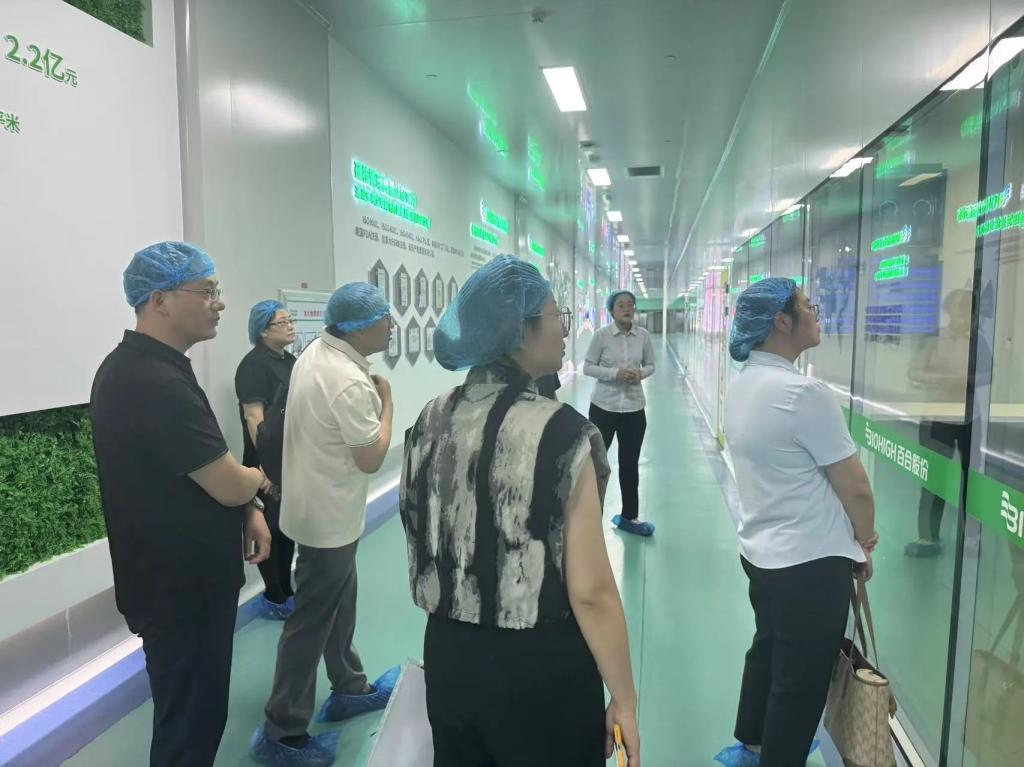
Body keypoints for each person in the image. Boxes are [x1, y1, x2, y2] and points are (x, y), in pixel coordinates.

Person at [400, 255, 641, 766]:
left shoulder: (430, 416)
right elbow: (591, 591)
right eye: (556, 316)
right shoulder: (563, 434)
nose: (564, 329)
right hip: (538, 668)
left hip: (448, 654)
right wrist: (624, 698)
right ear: (520, 332)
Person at [90, 241, 272, 767]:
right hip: (180, 587)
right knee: (190, 725)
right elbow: (227, 481)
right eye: (207, 291)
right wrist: (258, 482)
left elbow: (197, 467)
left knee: (193, 714)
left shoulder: (154, 368)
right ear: (160, 299)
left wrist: (249, 509)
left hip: (179, 579)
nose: (219, 303)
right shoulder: (151, 381)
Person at [718, 278, 878, 767]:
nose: (817, 313)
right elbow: (856, 487)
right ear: (782, 321)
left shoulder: (743, 384)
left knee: (768, 650)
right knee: (801, 680)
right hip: (810, 563)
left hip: (761, 554)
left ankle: (751, 745)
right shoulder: (802, 393)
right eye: (808, 306)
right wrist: (865, 539)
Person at [251, 283, 400, 767]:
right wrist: (388, 403)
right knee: (311, 620)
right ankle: (283, 731)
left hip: (317, 508)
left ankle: (350, 686)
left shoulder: (317, 351)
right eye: (384, 320)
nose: (391, 326)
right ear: (358, 329)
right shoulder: (349, 381)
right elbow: (371, 457)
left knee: (339, 601)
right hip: (328, 519)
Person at [235, 300, 298, 618]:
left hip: (287, 460)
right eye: (282, 322)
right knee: (268, 529)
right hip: (262, 463)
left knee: (287, 530)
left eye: (290, 320)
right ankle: (275, 597)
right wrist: (268, 468)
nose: (290, 326)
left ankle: (287, 591)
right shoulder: (253, 366)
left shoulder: (291, 361)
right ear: (262, 330)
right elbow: (253, 418)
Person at [904, 289, 976, 557]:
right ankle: (928, 538)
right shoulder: (933, 338)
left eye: (967, 307)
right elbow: (913, 371)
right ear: (949, 310)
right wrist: (943, 380)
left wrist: (969, 380)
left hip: (970, 420)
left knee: (972, 482)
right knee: (934, 480)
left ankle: (971, 540)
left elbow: (990, 374)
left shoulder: (979, 340)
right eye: (959, 307)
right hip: (936, 418)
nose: (962, 313)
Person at [583, 289, 656, 536]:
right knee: (595, 464)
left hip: (634, 409)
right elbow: (588, 367)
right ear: (612, 310)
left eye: (630, 304)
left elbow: (651, 365)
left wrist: (640, 373)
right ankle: (588, 516)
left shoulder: (643, 336)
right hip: (603, 408)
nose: (627, 308)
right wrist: (615, 374)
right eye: (621, 305)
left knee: (629, 465)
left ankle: (629, 517)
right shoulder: (601, 336)